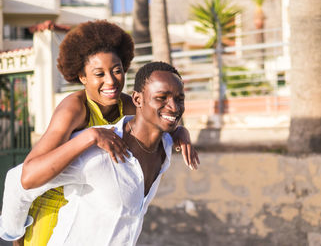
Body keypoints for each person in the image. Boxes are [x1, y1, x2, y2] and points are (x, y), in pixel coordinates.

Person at [18, 20, 199, 246]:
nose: (111, 81)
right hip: (51, 203)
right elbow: (26, 177)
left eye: (117, 71)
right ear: (82, 77)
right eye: (99, 73)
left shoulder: (130, 104)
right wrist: (90, 136)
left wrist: (181, 131)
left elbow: (161, 116)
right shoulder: (73, 108)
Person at [0, 61, 185, 245]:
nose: (174, 107)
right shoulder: (98, 151)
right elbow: (18, 182)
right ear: (137, 99)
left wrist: (181, 132)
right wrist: (15, 234)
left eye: (179, 99)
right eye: (161, 97)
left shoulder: (165, 147)